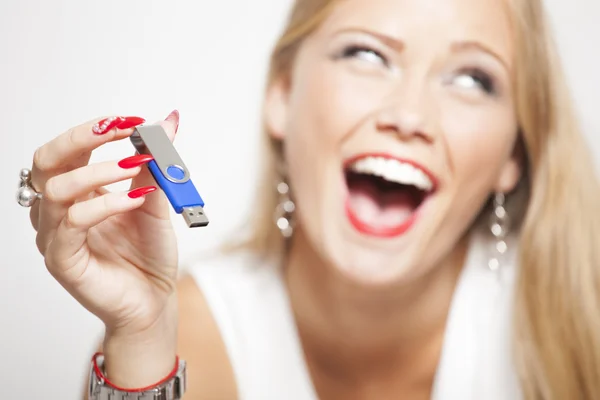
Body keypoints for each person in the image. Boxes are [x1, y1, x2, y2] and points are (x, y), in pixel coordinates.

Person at [16, 0, 600, 398]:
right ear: (281, 96)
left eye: (473, 78)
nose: (409, 116)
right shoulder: (189, 334)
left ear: (512, 156)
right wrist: (141, 341)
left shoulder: (582, 318)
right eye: (367, 54)